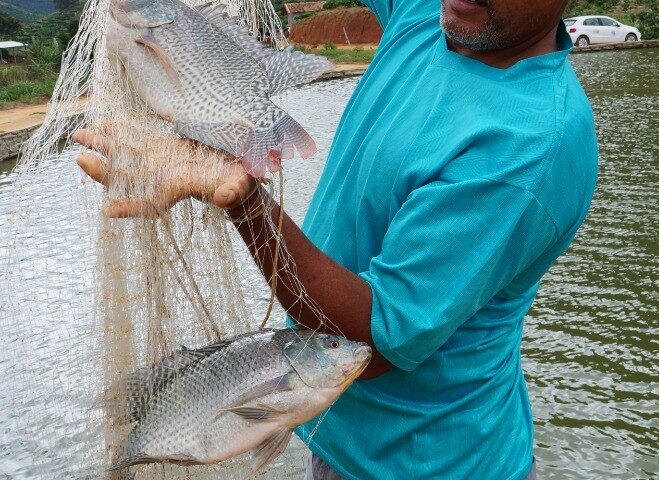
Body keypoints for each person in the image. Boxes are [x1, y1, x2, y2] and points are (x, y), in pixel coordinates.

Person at [74, 0, 598, 478]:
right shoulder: (435, 14)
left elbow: (375, 341)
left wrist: (243, 199)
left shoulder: (528, 147)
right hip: (333, 428)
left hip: (432, 461)